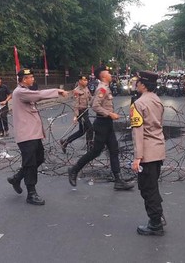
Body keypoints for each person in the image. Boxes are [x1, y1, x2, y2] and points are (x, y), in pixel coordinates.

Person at [68, 66, 134, 191]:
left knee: (114, 150)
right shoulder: (102, 89)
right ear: (103, 76)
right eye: (108, 73)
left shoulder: (105, 88)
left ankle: (118, 180)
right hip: (102, 124)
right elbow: (95, 106)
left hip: (107, 124)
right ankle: (74, 170)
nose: (110, 74)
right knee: (95, 152)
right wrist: (110, 114)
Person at [6, 69, 67, 205]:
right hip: (26, 135)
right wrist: (57, 91)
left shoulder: (25, 91)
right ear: (23, 79)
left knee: (39, 159)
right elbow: (38, 95)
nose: (33, 79)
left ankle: (17, 178)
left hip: (33, 134)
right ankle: (31, 194)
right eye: (30, 77)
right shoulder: (20, 92)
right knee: (30, 164)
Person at [130, 71, 166, 236]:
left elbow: (138, 131)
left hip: (147, 153)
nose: (136, 84)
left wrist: (138, 157)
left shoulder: (138, 104)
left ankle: (155, 223)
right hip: (158, 149)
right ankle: (158, 216)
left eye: (138, 82)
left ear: (143, 84)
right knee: (152, 186)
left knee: (147, 188)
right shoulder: (157, 100)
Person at [59, 76, 93, 153]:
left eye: (86, 80)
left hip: (85, 111)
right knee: (90, 128)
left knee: (82, 131)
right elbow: (75, 104)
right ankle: (89, 147)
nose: (86, 81)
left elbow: (90, 98)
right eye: (84, 80)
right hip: (81, 112)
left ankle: (65, 142)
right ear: (80, 81)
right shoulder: (76, 91)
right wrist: (75, 116)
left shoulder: (86, 88)